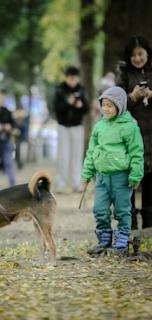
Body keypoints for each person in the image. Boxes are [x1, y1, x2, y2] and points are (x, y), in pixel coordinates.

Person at [81, 86, 144, 255]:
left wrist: (135, 176)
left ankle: (122, 241)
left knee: (122, 210)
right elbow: (92, 151)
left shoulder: (129, 127)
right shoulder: (99, 126)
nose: (106, 109)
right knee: (100, 210)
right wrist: (87, 173)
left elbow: (137, 153)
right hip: (101, 178)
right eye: (104, 105)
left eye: (110, 105)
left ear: (120, 106)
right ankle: (104, 239)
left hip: (121, 178)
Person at [116, 35, 152, 229]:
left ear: (147, 53)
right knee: (130, 181)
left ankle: (149, 227)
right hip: (131, 139)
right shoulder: (124, 75)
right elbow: (115, 105)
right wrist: (133, 96)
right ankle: (130, 228)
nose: (137, 58)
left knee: (150, 185)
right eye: (133, 55)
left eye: (141, 54)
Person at [53, 66, 89, 193]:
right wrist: (68, 102)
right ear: (66, 77)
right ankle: (61, 184)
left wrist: (80, 105)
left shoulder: (82, 90)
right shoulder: (60, 90)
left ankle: (76, 183)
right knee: (63, 156)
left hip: (77, 126)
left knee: (77, 156)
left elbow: (86, 109)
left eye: (75, 78)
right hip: (63, 126)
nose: (72, 80)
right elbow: (56, 107)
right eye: (70, 78)